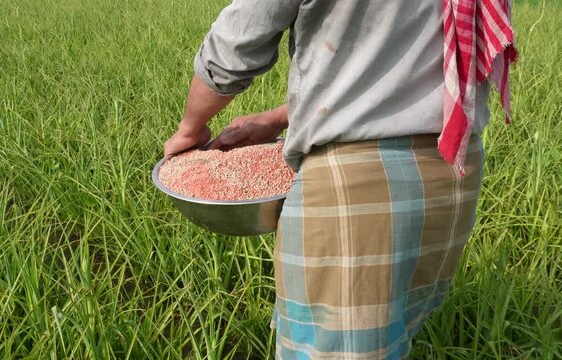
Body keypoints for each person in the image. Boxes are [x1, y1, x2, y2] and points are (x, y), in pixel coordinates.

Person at [163, 0, 516, 358]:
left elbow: (238, 39)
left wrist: (190, 129)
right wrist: (278, 118)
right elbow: (415, 56)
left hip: (357, 190)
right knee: (393, 340)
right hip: (453, 171)